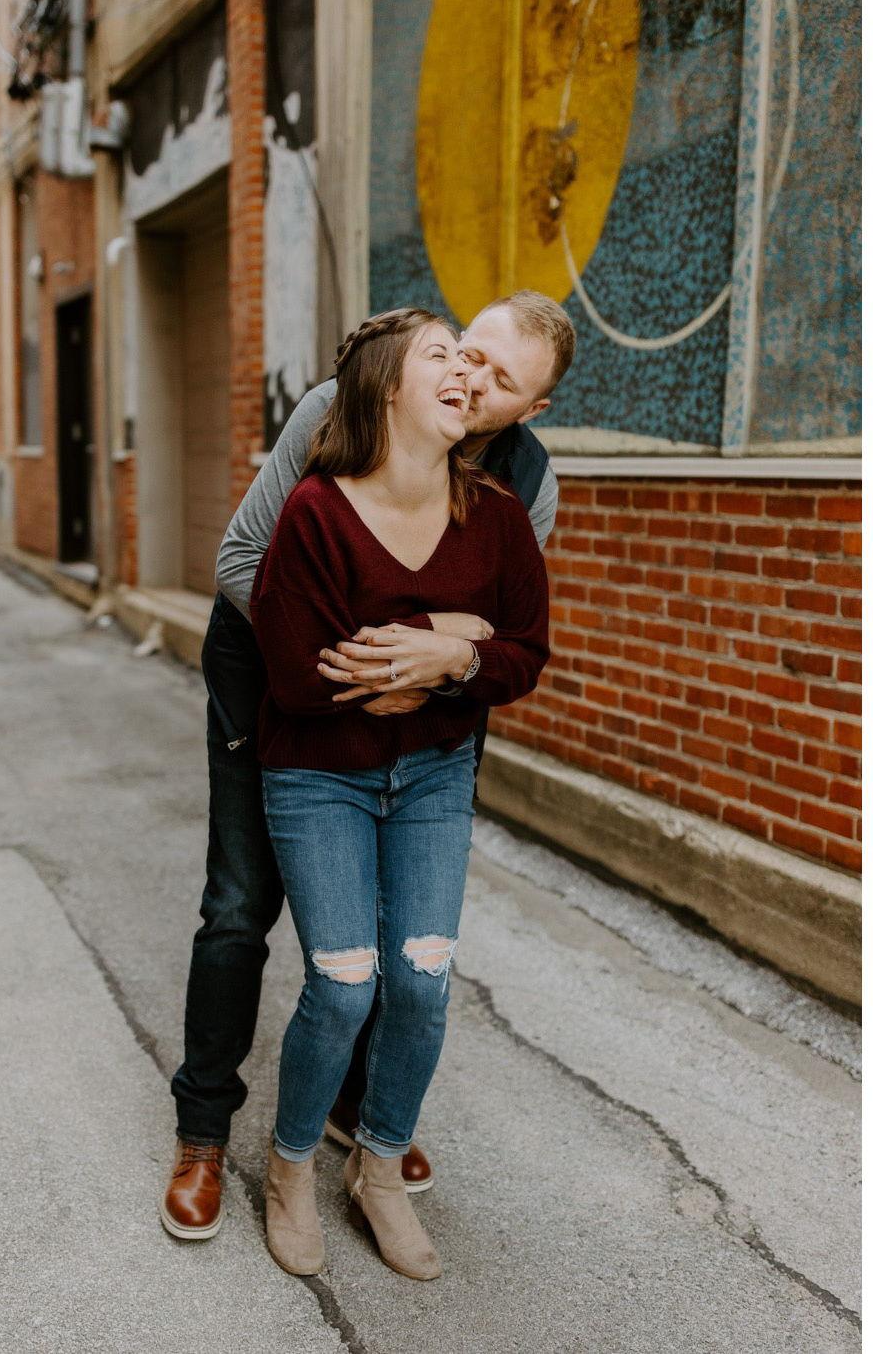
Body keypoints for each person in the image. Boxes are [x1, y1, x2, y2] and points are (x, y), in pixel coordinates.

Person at [161, 291, 576, 1243]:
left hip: (423, 715)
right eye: (466, 351)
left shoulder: (525, 484)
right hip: (276, 675)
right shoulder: (337, 410)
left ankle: (358, 1111)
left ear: (533, 408)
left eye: (502, 378)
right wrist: (375, 655)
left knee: (399, 935)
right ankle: (204, 1132)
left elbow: (502, 632)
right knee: (241, 904)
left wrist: (437, 658)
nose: (473, 376)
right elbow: (242, 557)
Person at [249, 308, 549, 1280]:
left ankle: (378, 1168)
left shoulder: (498, 513)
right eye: (440, 355)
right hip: (317, 775)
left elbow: (524, 653)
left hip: (433, 775)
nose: (465, 370)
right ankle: (291, 1167)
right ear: (385, 385)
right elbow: (301, 674)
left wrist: (455, 654)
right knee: (345, 987)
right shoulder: (315, 511)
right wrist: (452, 637)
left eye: (471, 358)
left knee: (421, 981)